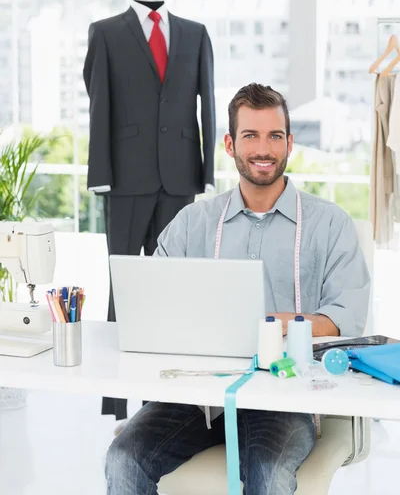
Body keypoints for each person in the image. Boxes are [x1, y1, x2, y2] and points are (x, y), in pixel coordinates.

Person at [105, 83, 370, 495]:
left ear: (289, 144)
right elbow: (151, 301)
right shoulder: (193, 222)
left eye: (274, 136)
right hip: (196, 398)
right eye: (250, 135)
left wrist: (275, 325)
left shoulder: (330, 225)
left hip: (284, 401)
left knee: (269, 471)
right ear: (229, 144)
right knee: (124, 457)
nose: (263, 148)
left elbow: (346, 318)